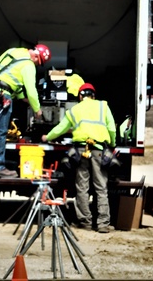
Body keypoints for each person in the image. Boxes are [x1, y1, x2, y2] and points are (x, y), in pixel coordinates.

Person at [41, 83, 117, 233]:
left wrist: (47, 136)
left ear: (80, 96)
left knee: (82, 187)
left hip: (81, 151)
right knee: (101, 187)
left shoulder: (74, 109)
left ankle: (85, 221)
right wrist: (112, 144)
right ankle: (103, 224)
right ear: (94, 95)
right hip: (99, 150)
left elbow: (61, 128)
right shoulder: (103, 106)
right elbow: (112, 128)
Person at [0, 44, 50, 179]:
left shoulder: (13, 51)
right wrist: (37, 109)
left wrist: (22, 98)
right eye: (39, 63)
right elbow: (32, 91)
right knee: (0, 131)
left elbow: (9, 76)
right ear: (37, 56)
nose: (37, 65)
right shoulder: (28, 65)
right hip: (0, 95)